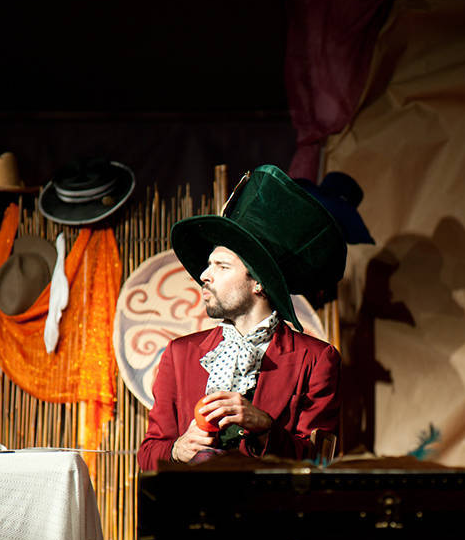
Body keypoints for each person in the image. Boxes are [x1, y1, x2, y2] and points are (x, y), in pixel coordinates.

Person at [137, 164, 348, 470]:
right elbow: (148, 453)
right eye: (208, 264)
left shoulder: (316, 359)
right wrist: (177, 449)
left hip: (269, 501)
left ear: (258, 282)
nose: (204, 275)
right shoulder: (179, 354)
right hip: (192, 500)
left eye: (222, 266)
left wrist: (265, 428)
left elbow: (320, 462)